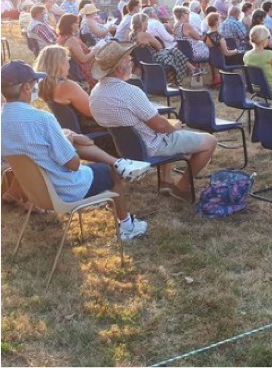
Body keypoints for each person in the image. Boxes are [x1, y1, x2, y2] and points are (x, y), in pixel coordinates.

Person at [1, 60, 149, 239]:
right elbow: (73, 164)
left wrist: (67, 138)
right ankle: (127, 226)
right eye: (34, 84)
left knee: (75, 141)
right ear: (25, 88)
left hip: (37, 191)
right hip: (64, 189)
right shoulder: (41, 119)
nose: (35, 88)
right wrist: (68, 140)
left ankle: (119, 167)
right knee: (111, 174)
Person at [89, 41, 216, 202]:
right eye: (129, 60)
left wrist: (167, 126)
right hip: (151, 146)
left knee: (166, 125)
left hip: (124, 147)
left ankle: (166, 180)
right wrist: (173, 126)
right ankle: (182, 187)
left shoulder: (95, 93)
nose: (132, 62)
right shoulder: (130, 93)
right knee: (209, 141)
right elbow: (160, 126)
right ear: (119, 68)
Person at [130, 13, 199, 84]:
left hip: (143, 61)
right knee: (175, 52)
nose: (147, 24)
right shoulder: (145, 35)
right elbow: (159, 46)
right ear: (142, 23)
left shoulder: (132, 36)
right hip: (155, 59)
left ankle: (192, 69)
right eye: (146, 22)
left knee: (174, 51)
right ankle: (187, 73)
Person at [56, 13, 97, 87]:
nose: (78, 24)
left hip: (74, 69)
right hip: (82, 70)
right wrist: (94, 50)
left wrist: (89, 50)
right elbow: (83, 59)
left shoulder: (61, 37)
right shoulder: (71, 40)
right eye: (77, 23)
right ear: (70, 24)